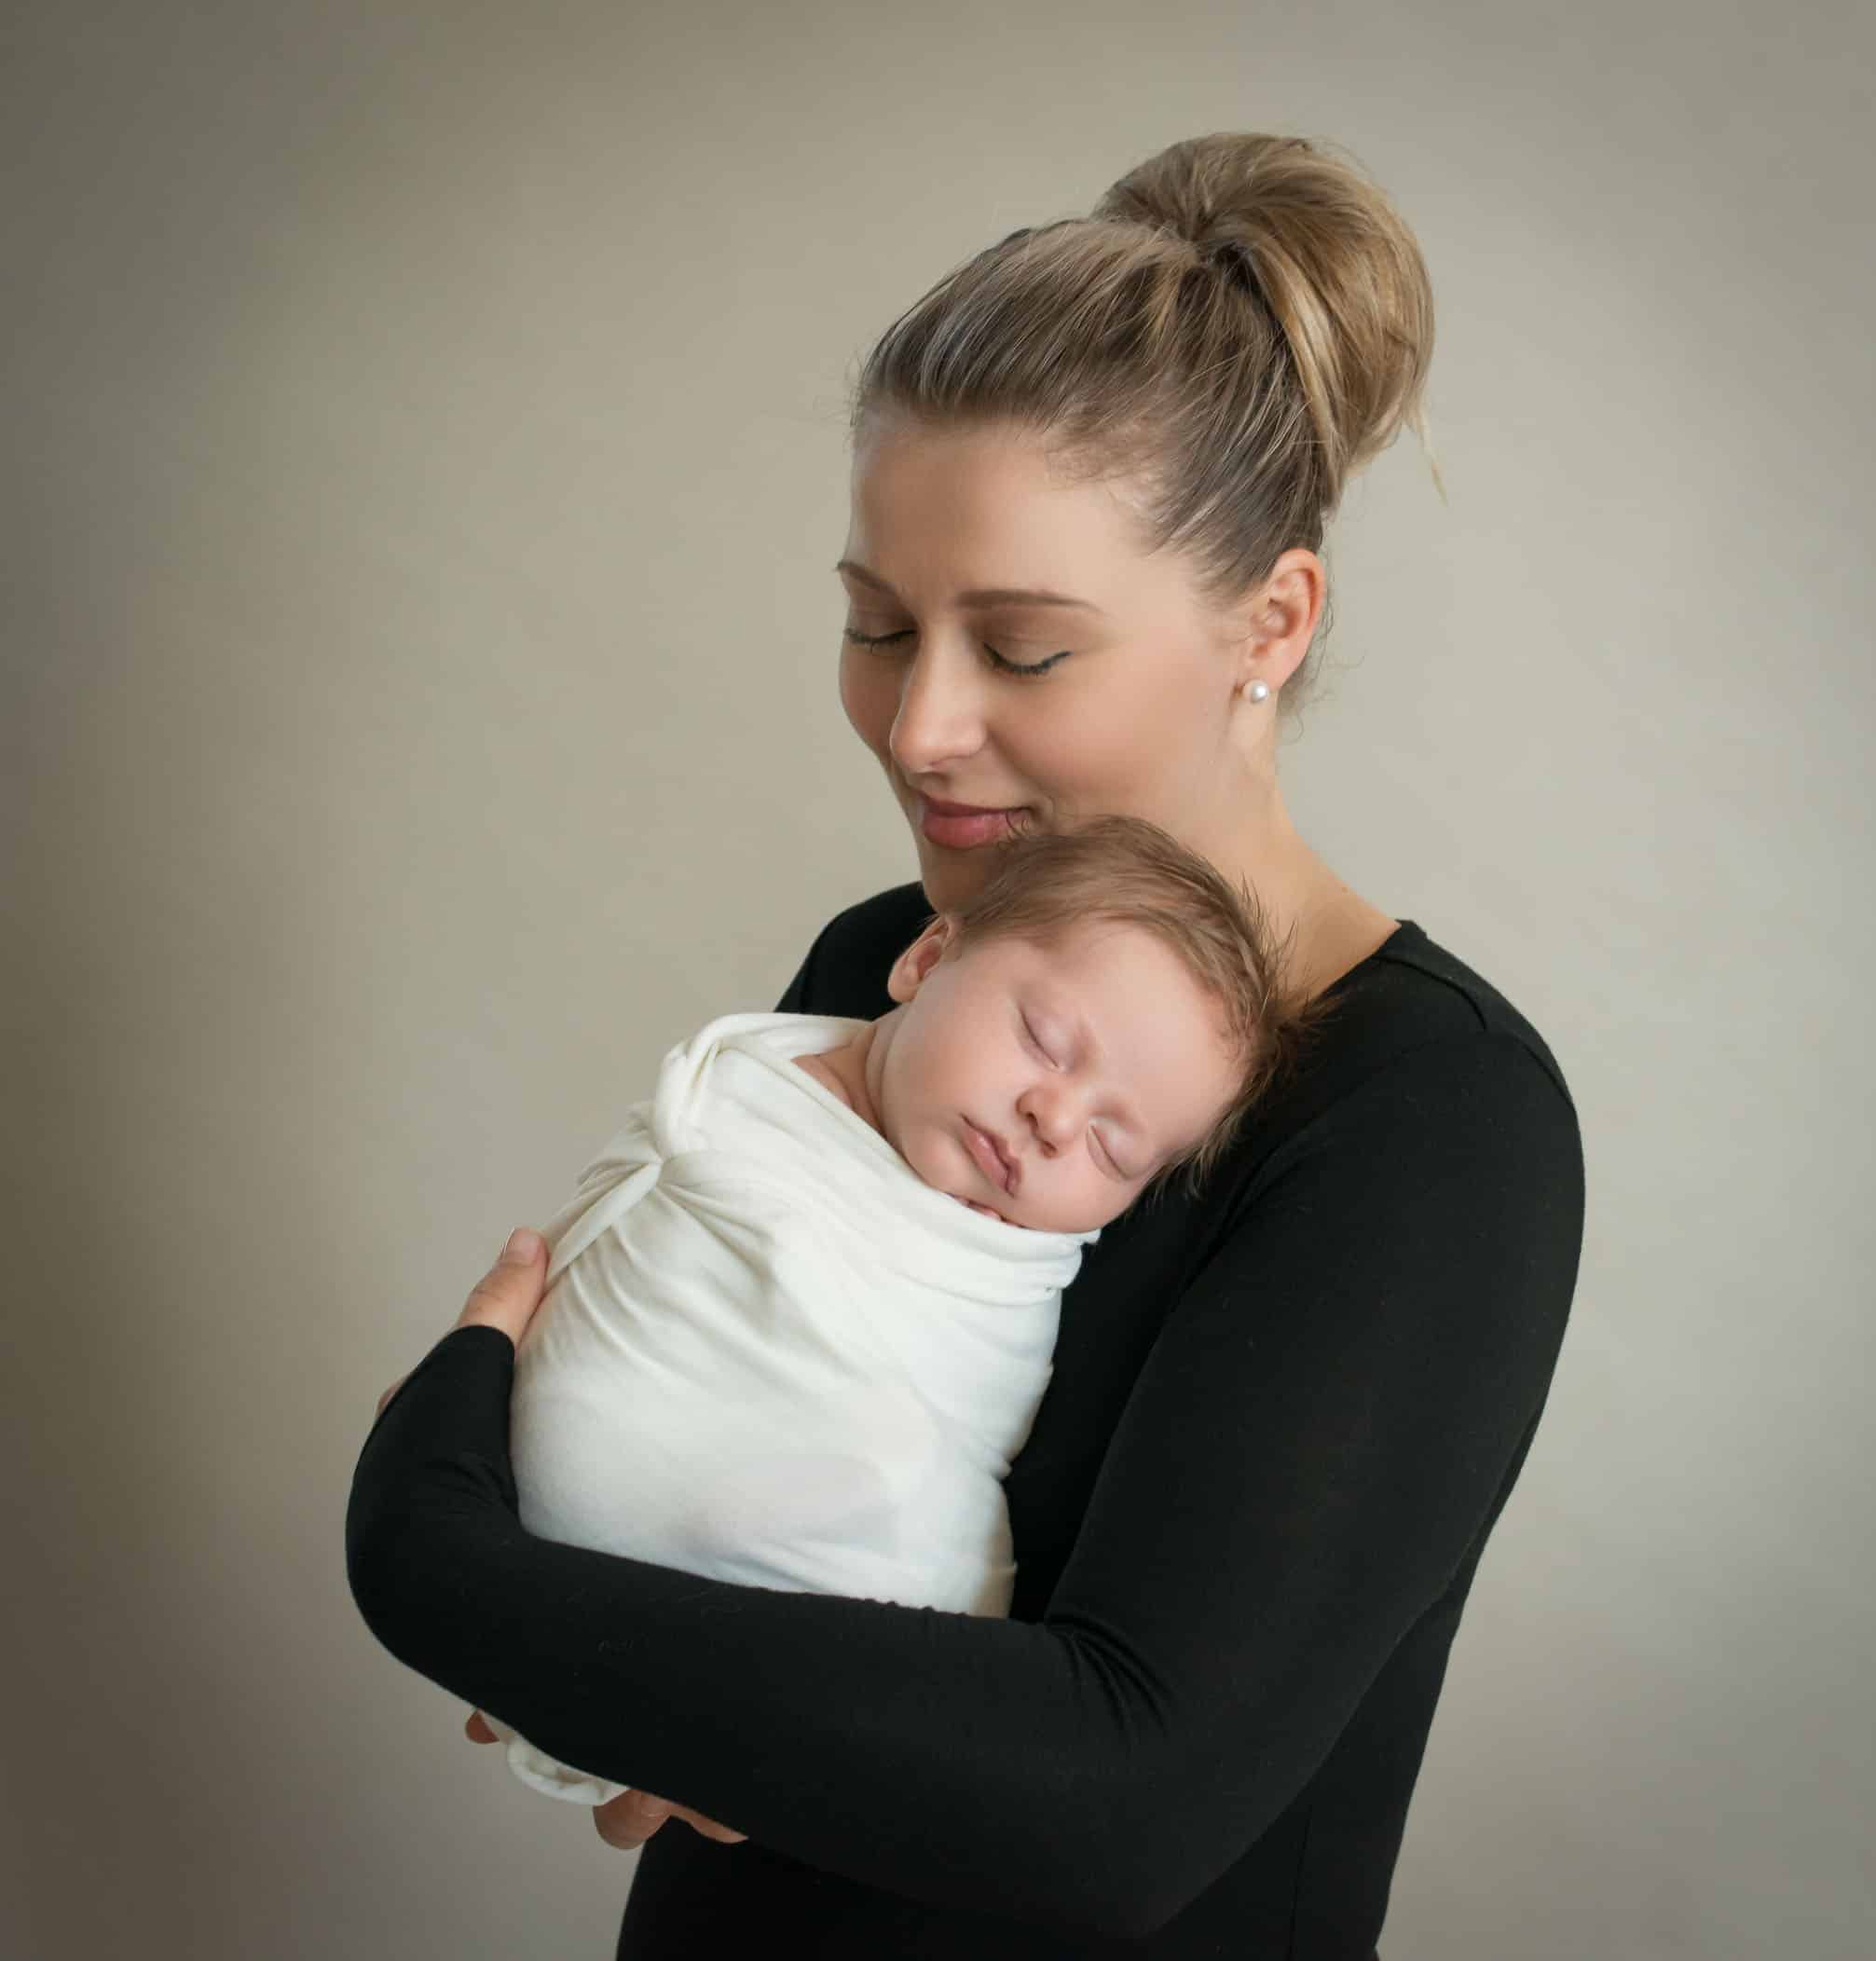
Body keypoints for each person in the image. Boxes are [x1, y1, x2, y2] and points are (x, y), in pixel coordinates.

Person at [346, 131, 1586, 1957]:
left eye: (1019, 648)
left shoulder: (1427, 1119)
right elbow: (683, 1507)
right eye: (875, 623)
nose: (918, 723)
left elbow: (1110, 1802)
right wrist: (599, 1618)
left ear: (1270, 620)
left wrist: (442, 1556)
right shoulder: (892, 961)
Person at [462, 816, 1318, 1807]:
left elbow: (935, 1463)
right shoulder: (748, 1073)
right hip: (503, 1578)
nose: (1054, 1118)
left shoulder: (997, 1268)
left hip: (789, 1684)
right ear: (924, 956)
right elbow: (604, 1224)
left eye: (1113, 1149)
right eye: (1043, 1040)